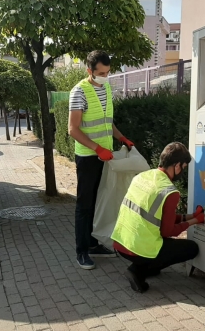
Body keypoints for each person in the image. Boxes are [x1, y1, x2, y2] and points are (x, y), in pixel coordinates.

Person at [68, 50, 134, 270]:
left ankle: (94, 244)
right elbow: (73, 129)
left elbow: (107, 122)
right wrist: (96, 148)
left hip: (105, 156)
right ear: (90, 71)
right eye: (101, 73)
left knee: (98, 203)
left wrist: (121, 137)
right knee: (84, 205)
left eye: (108, 72)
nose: (106, 76)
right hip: (88, 157)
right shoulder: (79, 92)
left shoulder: (105, 88)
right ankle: (81, 251)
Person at [111, 142, 204, 293]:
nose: (182, 172)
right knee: (191, 249)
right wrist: (195, 221)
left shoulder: (143, 176)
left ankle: (147, 266)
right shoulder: (169, 191)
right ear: (177, 165)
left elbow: (158, 217)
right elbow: (168, 232)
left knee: (164, 247)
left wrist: (191, 216)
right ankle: (137, 271)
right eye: (184, 167)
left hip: (121, 242)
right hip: (138, 249)